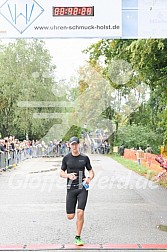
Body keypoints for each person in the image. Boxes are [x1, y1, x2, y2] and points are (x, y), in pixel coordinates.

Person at [60, 136, 94, 246]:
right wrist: (67, 175)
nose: (74, 146)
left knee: (80, 212)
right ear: (69, 145)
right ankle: (76, 215)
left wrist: (89, 178)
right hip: (71, 188)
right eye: (72, 144)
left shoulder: (84, 158)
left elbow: (91, 172)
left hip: (82, 188)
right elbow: (61, 172)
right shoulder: (66, 158)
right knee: (70, 216)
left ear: (79, 145)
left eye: (76, 144)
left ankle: (78, 237)